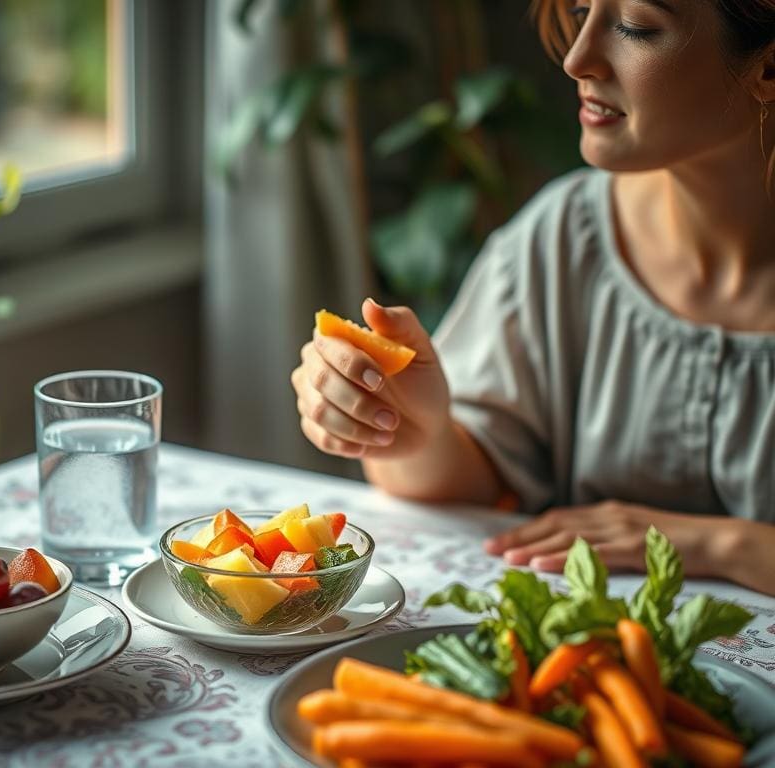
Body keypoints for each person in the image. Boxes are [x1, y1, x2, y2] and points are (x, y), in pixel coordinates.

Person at [290, 0, 775, 596]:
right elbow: (470, 489)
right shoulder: (563, 240)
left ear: (768, 68)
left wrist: (720, 545)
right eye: (580, 9)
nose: (577, 59)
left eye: (635, 28)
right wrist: (415, 432)